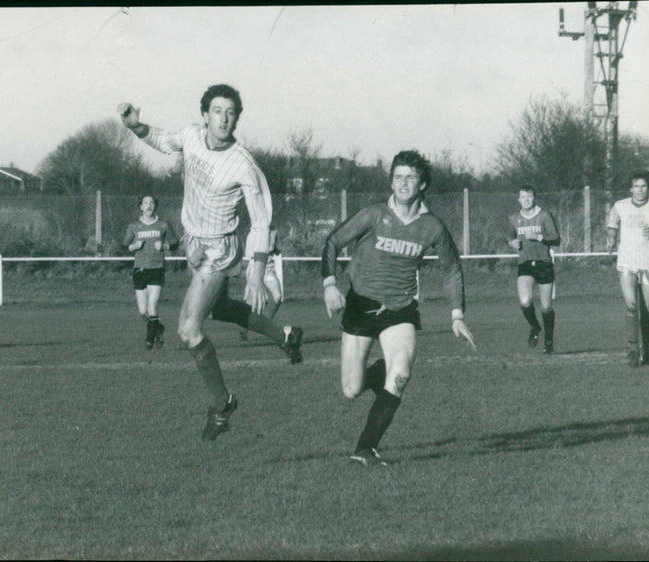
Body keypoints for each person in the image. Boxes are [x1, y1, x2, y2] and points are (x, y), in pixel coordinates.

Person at [118, 84, 303, 442]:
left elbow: (262, 220)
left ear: (236, 118)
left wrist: (256, 271)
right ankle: (284, 335)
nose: (224, 118)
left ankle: (221, 405)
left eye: (231, 112)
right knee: (218, 310)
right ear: (205, 115)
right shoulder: (190, 135)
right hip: (194, 242)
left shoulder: (244, 165)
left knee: (188, 329)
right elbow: (163, 140)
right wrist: (134, 127)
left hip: (220, 250)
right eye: (217, 110)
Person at [321, 150, 476, 467]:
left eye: (410, 177)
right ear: (391, 181)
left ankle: (365, 449)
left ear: (422, 184)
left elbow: (451, 269)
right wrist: (329, 284)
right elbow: (333, 242)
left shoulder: (431, 226)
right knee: (351, 389)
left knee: (402, 373)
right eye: (398, 177)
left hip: (400, 310)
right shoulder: (374, 215)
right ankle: (377, 374)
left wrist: (457, 315)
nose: (403, 183)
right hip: (360, 306)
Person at [606, 170, 649, 367]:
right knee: (631, 306)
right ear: (630, 188)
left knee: (647, 310)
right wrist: (611, 239)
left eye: (643, 186)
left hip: (648, 264)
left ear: (648, 187)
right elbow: (612, 225)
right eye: (636, 186)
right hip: (626, 263)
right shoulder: (620, 206)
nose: (639, 190)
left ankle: (646, 348)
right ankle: (633, 350)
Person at [506, 186, 561, 354]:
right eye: (523, 197)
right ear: (518, 199)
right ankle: (535, 327)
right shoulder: (514, 218)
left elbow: (556, 239)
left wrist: (538, 237)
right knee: (525, 301)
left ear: (534, 197)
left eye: (529, 196)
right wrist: (512, 242)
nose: (526, 200)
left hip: (544, 263)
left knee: (546, 307)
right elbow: (509, 235)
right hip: (525, 264)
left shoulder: (544, 215)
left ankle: (549, 341)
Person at [122, 195, 180, 349]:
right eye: (145, 203)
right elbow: (124, 244)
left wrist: (164, 247)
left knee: (152, 305)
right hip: (140, 269)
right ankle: (158, 328)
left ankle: (149, 340)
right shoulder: (134, 226)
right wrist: (134, 247)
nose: (149, 206)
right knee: (143, 311)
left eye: (152, 203)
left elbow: (175, 244)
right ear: (141, 207)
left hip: (157, 269)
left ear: (155, 206)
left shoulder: (163, 225)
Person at [240, 228, 283, 342]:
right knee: (252, 303)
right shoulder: (254, 231)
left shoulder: (274, 231)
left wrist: (277, 247)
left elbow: (278, 250)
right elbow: (249, 253)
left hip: (269, 269)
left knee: (278, 297)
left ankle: (264, 327)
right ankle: (243, 331)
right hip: (255, 268)